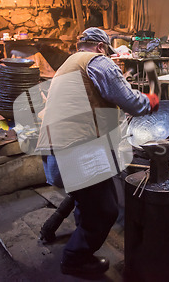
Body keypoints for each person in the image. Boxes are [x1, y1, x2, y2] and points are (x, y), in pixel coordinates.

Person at [36, 27, 159, 276]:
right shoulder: (98, 61)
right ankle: (74, 259)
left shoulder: (68, 65)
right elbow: (132, 102)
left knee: (86, 199)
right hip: (77, 149)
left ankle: (82, 232)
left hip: (54, 149)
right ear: (101, 47)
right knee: (106, 210)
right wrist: (152, 100)